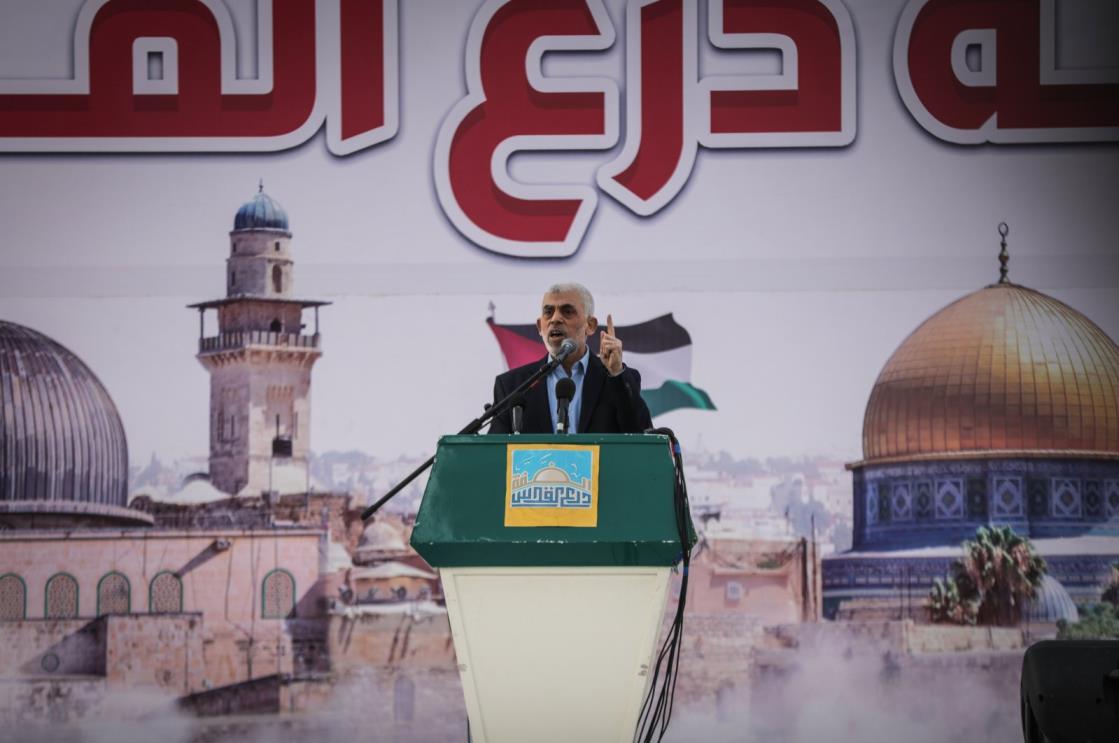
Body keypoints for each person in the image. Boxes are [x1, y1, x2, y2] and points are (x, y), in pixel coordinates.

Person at [488, 283, 653, 434]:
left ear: (590, 325)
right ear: (540, 327)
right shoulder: (512, 386)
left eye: (567, 312)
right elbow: (494, 453)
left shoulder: (616, 379)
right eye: (548, 312)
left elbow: (641, 435)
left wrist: (616, 373)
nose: (555, 319)